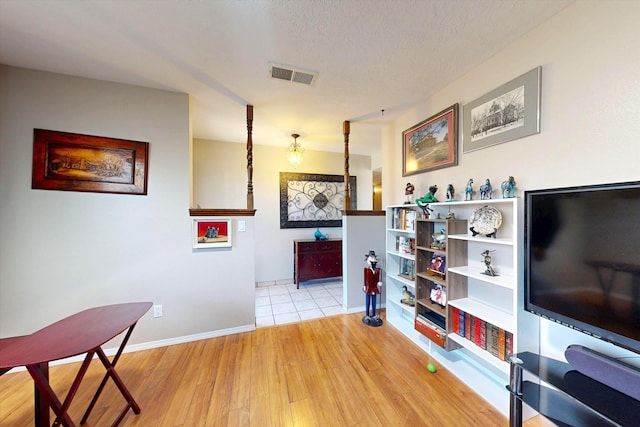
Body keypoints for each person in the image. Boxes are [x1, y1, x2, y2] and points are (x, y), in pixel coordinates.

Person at [363, 250, 383, 326]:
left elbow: (377, 279)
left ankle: (374, 314)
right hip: (369, 288)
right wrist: (364, 285)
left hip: (374, 288)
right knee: (368, 301)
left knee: (374, 301)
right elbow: (365, 278)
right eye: (371, 259)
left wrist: (379, 283)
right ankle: (367, 315)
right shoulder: (366, 270)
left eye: (374, 259)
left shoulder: (377, 270)